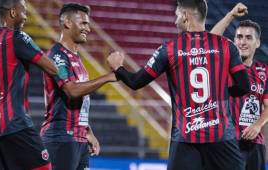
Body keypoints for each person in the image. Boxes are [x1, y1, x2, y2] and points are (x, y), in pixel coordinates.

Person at [107, 0, 251, 169]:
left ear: (184, 16)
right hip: (222, 139)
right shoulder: (226, 46)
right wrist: (218, 94)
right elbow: (244, 86)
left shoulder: (169, 49)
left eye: (176, 16)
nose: (175, 21)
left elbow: (135, 82)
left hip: (185, 138)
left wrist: (118, 68)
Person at [0, 0, 58, 169]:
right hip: (14, 124)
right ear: (13, 12)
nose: (26, 16)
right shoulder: (17, 37)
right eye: (24, 11)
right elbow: (52, 69)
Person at [40, 3, 117, 170]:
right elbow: (72, 90)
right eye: (83, 23)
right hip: (60, 138)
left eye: (88, 24)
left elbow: (79, 103)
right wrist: (109, 77)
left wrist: (87, 131)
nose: (88, 29)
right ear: (67, 23)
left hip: (78, 138)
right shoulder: (57, 56)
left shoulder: (76, 58)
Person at [211, 3, 268, 170]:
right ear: (234, 40)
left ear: (257, 43)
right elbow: (210, 39)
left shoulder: (264, 71)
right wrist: (231, 15)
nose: (243, 42)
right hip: (226, 142)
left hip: (254, 145)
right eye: (239, 37)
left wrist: (258, 124)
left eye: (248, 38)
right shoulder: (224, 65)